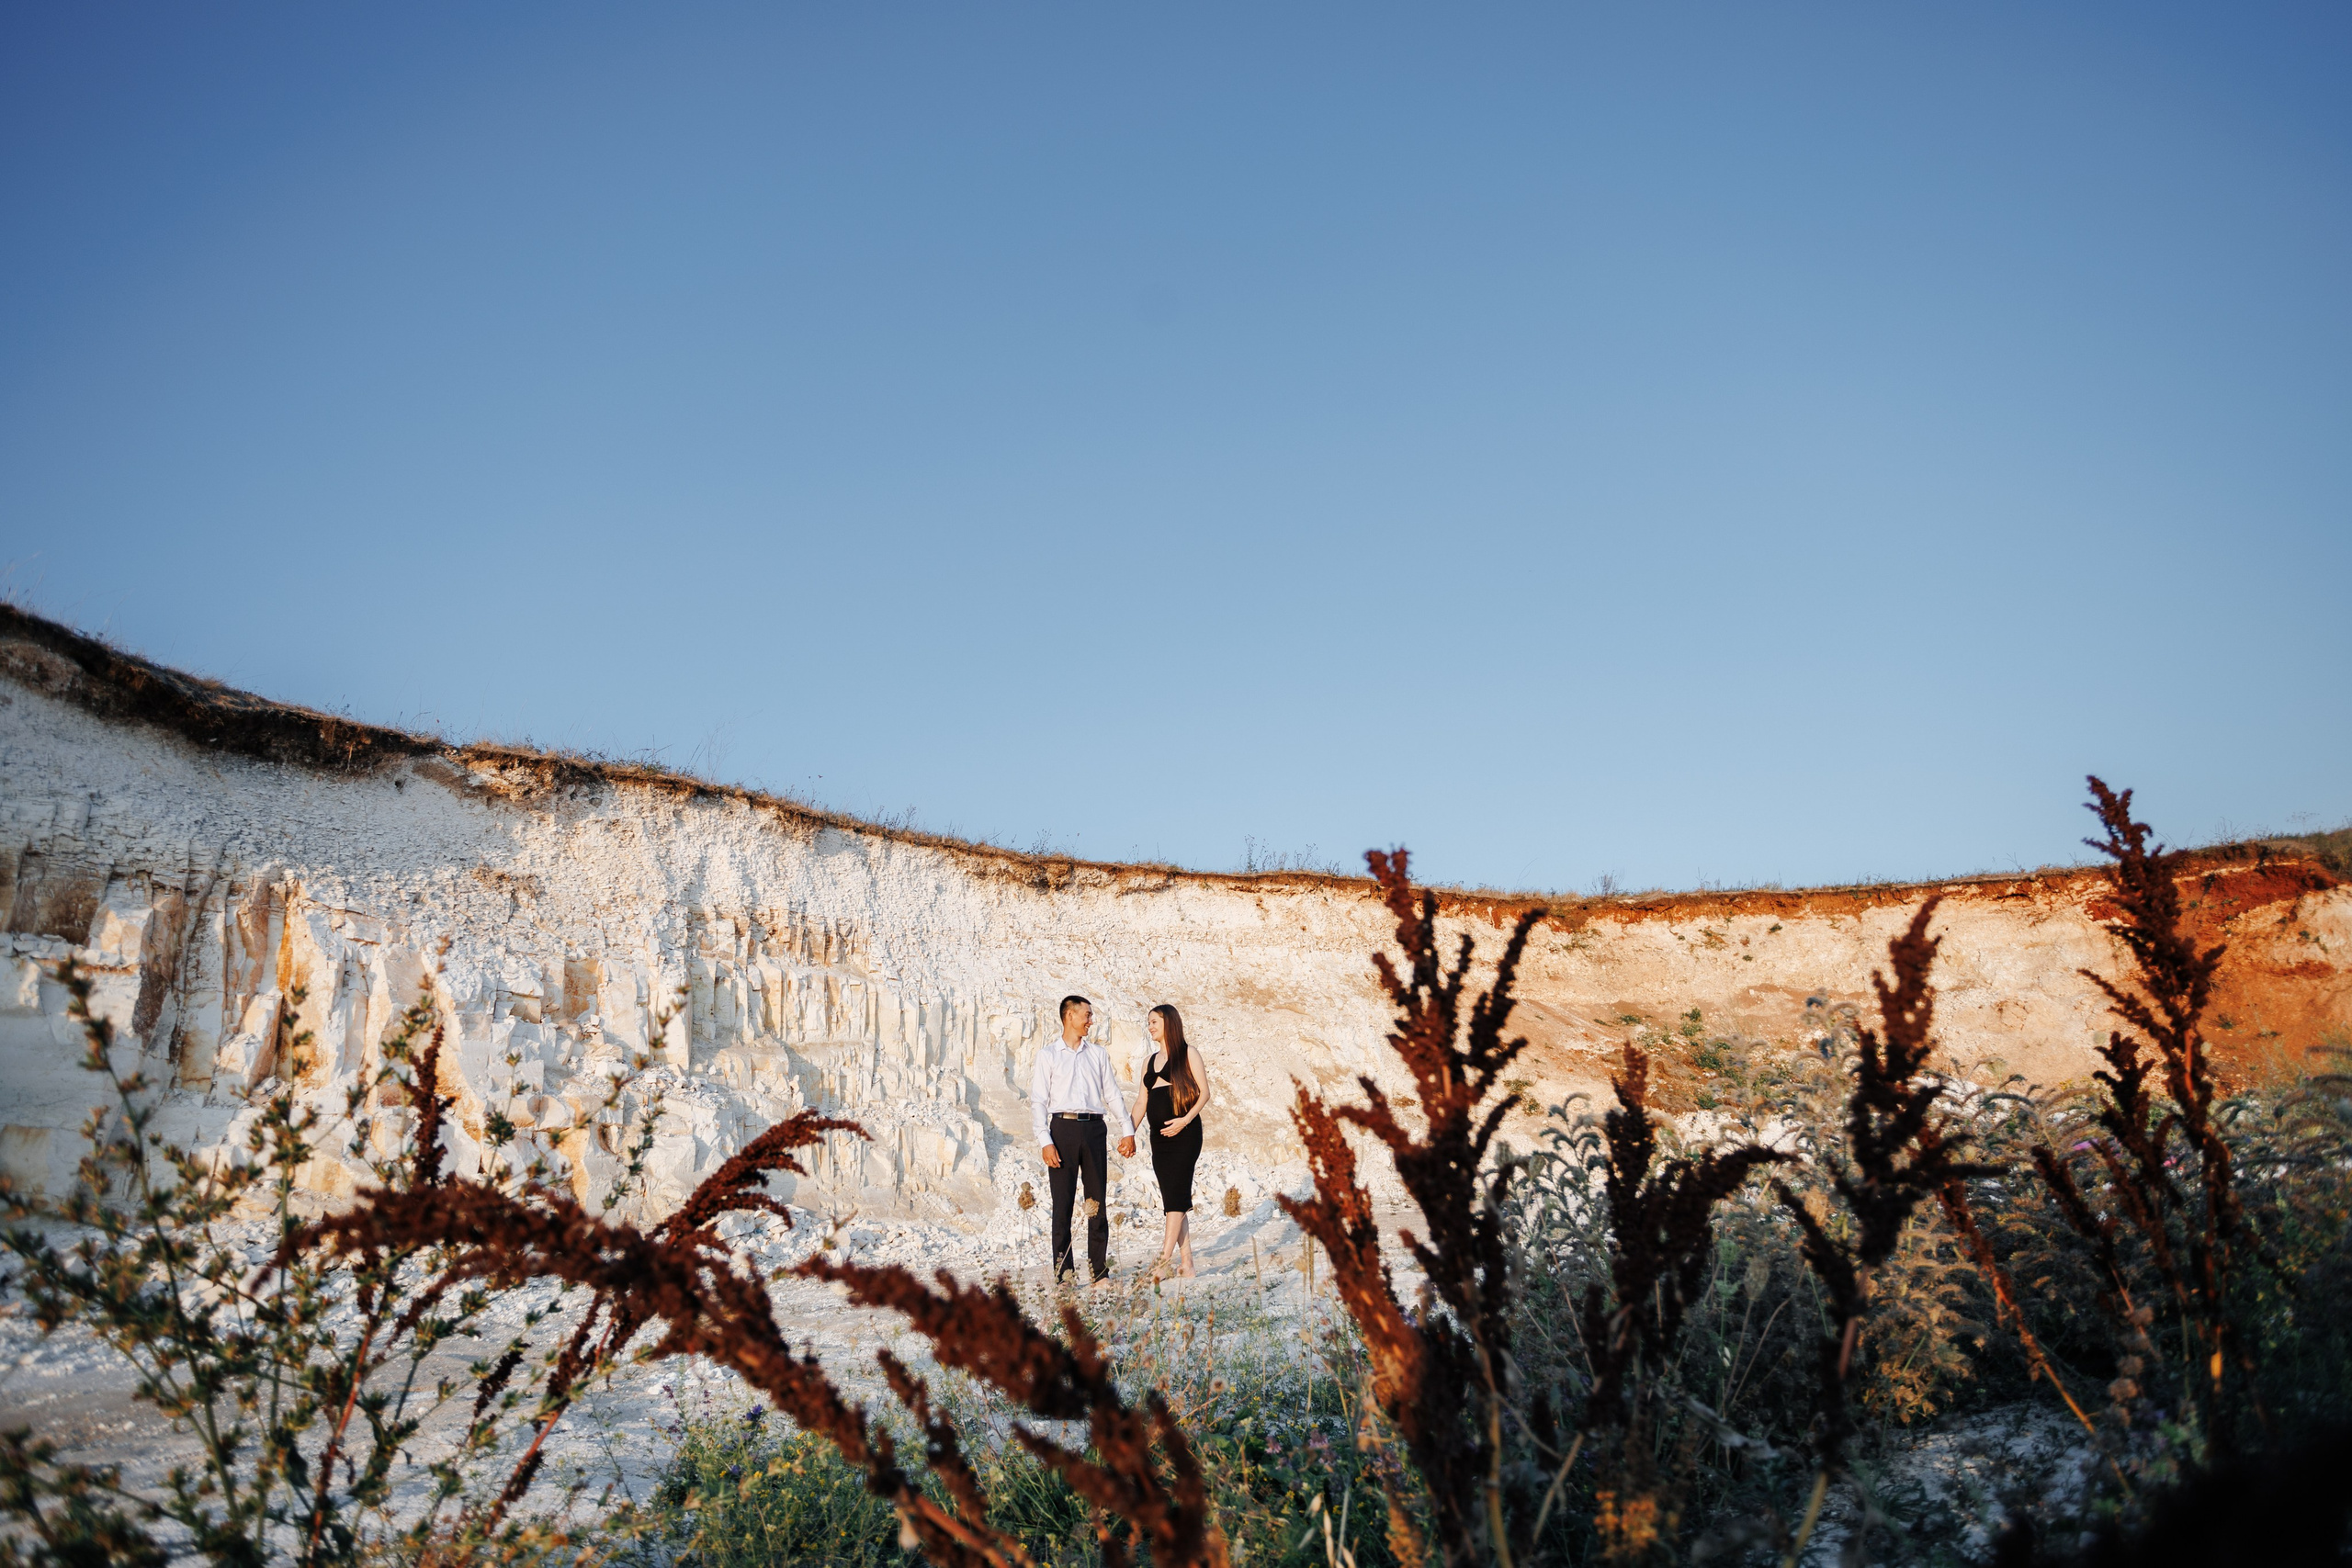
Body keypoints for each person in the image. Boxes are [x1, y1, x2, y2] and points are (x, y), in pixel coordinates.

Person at [1030, 995, 1136, 1286]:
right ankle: (1065, 1275)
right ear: (1070, 1016)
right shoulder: (1048, 1055)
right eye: (1087, 1015)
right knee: (1062, 1205)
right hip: (1061, 1129)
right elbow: (1038, 1101)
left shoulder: (1098, 1055)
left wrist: (1127, 1129)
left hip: (1094, 1130)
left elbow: (1112, 1094)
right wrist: (1044, 1140)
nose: (1091, 1021)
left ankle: (1099, 1273)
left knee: (1097, 1202)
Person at [1125, 1002, 1213, 1279]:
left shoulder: (1188, 1053)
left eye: (1154, 1021)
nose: (1150, 1026)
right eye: (1148, 1022)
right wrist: (1129, 1133)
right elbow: (1141, 1101)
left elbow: (1204, 1094)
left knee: (1175, 1196)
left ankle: (1163, 1262)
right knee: (1173, 1198)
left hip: (1185, 1134)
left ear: (1169, 1023)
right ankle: (1187, 1263)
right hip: (1158, 1139)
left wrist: (1184, 1120)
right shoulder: (1148, 1063)